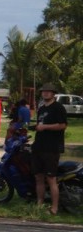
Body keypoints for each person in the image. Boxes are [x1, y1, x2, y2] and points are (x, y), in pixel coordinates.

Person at [31, 83, 68, 215]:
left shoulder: (58, 108)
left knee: (51, 178)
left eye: (48, 91)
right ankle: (40, 203)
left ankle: (54, 207)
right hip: (39, 146)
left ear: (53, 94)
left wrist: (45, 127)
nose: (45, 93)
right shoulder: (41, 109)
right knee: (38, 177)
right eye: (43, 91)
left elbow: (63, 125)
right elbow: (40, 125)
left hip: (52, 148)